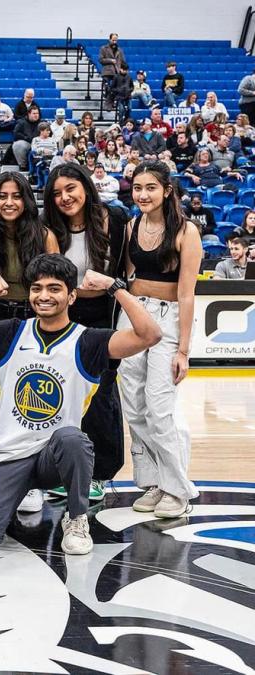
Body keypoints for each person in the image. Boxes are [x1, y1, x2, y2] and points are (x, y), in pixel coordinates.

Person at [0, 254, 162, 554]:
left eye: (54, 289)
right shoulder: (11, 332)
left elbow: (151, 334)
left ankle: (76, 517)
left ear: (71, 296)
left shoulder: (87, 341)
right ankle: (16, 493)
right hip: (10, 455)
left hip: (55, 458)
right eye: (37, 288)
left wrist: (114, 287)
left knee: (72, 438)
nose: (44, 296)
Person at [42, 164, 129, 500]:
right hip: (67, 317)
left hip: (105, 316)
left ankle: (101, 474)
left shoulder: (116, 219)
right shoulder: (51, 229)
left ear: (86, 187)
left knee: (102, 396)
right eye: (57, 193)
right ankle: (67, 469)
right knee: (68, 395)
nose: (65, 197)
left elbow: (127, 270)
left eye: (71, 189)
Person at [120, 162, 202, 518]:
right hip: (134, 315)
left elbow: (187, 295)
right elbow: (126, 277)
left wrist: (183, 349)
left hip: (167, 319)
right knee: (134, 407)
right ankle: (154, 482)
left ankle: (177, 489)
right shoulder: (130, 226)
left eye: (150, 187)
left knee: (159, 407)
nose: (142, 195)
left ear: (167, 190)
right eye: (137, 188)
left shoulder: (187, 232)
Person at [0, 172, 59, 462]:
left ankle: (33, 465)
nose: (9, 202)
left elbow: (58, 285)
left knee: (32, 394)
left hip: (33, 320)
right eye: (2, 196)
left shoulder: (45, 235)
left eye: (16, 195)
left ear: (26, 199)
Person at [12, 106, 42, 170]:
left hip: (40, 143)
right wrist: (26, 137)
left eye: (37, 113)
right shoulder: (21, 122)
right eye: (34, 113)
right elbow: (16, 134)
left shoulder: (42, 123)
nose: (36, 115)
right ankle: (23, 166)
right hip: (27, 142)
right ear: (29, 114)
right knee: (18, 145)